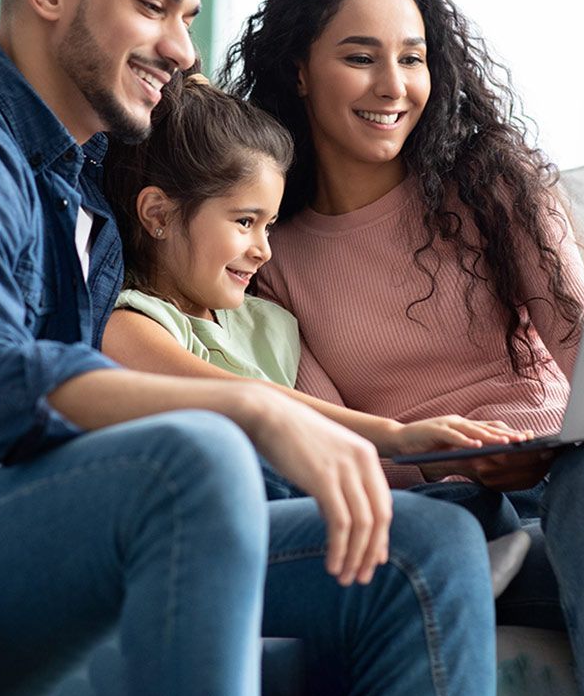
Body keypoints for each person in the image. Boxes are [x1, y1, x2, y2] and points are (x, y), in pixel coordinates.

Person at [0, 0, 501, 696]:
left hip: (61, 518)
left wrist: (387, 454)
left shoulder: (88, 185)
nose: (182, 47)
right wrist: (244, 410)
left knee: (419, 548)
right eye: (154, 6)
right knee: (195, 455)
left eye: (188, 17)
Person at [221, 0, 584, 696]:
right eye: (359, 57)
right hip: (460, 497)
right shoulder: (270, 248)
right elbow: (332, 434)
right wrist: (457, 460)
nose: (393, 85)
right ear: (297, 69)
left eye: (412, 58)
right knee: (478, 533)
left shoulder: (490, 180)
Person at [102, 72, 532, 595]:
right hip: (239, 512)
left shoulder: (268, 322)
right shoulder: (129, 324)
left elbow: (324, 433)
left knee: (473, 505)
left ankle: (459, 574)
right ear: (158, 214)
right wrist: (397, 435)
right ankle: (453, 572)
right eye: (244, 222)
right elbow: (248, 398)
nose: (263, 249)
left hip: (306, 500)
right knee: (259, 465)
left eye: (270, 225)